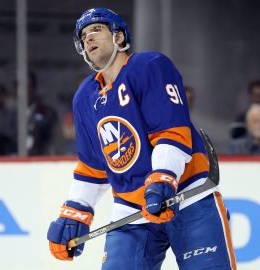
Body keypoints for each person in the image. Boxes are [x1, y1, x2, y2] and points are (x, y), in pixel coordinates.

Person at [47, 8, 236, 270]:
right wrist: (76, 211)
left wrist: (161, 179)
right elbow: (93, 166)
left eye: (97, 30)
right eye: (84, 35)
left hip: (188, 196)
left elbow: (171, 131)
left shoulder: (149, 66)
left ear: (120, 37)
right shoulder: (85, 97)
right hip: (131, 213)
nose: (88, 38)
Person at [0, 81, 17, 155]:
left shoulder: (11, 114)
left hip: (4, 151)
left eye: (3, 95)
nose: (2, 98)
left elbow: (12, 133)